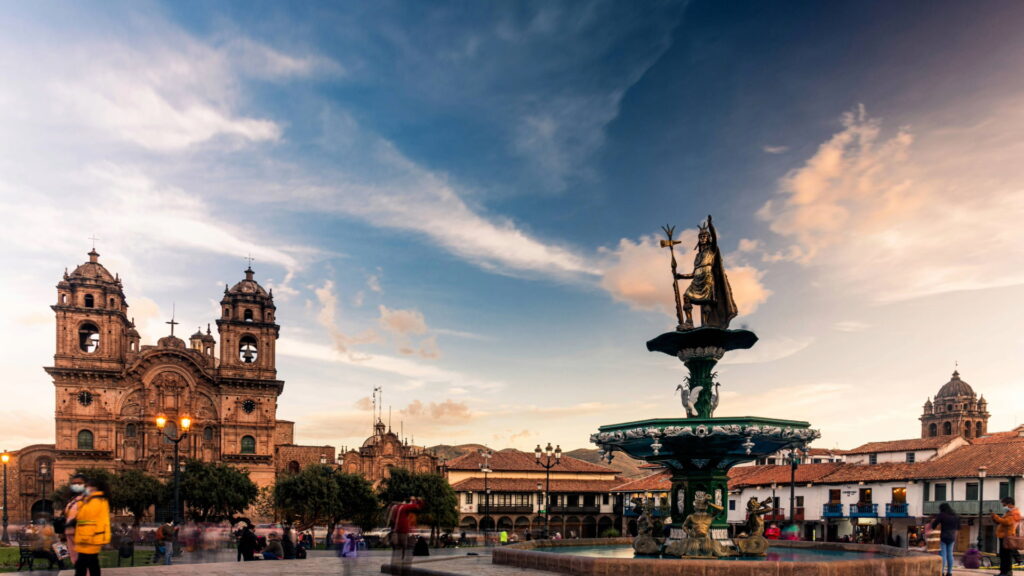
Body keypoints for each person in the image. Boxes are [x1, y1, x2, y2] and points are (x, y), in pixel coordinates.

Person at [74, 476, 111, 576]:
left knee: (82, 565)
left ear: (93, 488)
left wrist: (80, 502)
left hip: (90, 538)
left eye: (87, 487)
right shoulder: (94, 500)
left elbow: (83, 515)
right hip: (88, 537)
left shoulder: (96, 501)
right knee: (91, 563)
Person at [62, 473, 88, 565]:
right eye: (74, 483)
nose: (77, 485)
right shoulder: (72, 500)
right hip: (69, 533)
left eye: (80, 483)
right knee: (75, 559)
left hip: (81, 534)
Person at [992, 496, 1021, 576]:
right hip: (1004, 536)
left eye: (1004, 504)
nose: (1003, 506)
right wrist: (995, 518)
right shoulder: (1009, 513)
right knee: (1003, 555)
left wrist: (996, 517)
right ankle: (1003, 572)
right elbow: (1002, 522)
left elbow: (1007, 522)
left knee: (1007, 555)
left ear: (1010, 504)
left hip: (1008, 537)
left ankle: (1007, 572)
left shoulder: (1014, 513)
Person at [930, 502, 960, 576]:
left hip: (943, 537)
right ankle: (949, 572)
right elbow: (958, 528)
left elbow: (933, 526)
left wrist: (933, 523)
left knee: (942, 555)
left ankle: (942, 572)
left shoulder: (941, 515)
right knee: (950, 554)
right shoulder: (955, 516)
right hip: (952, 537)